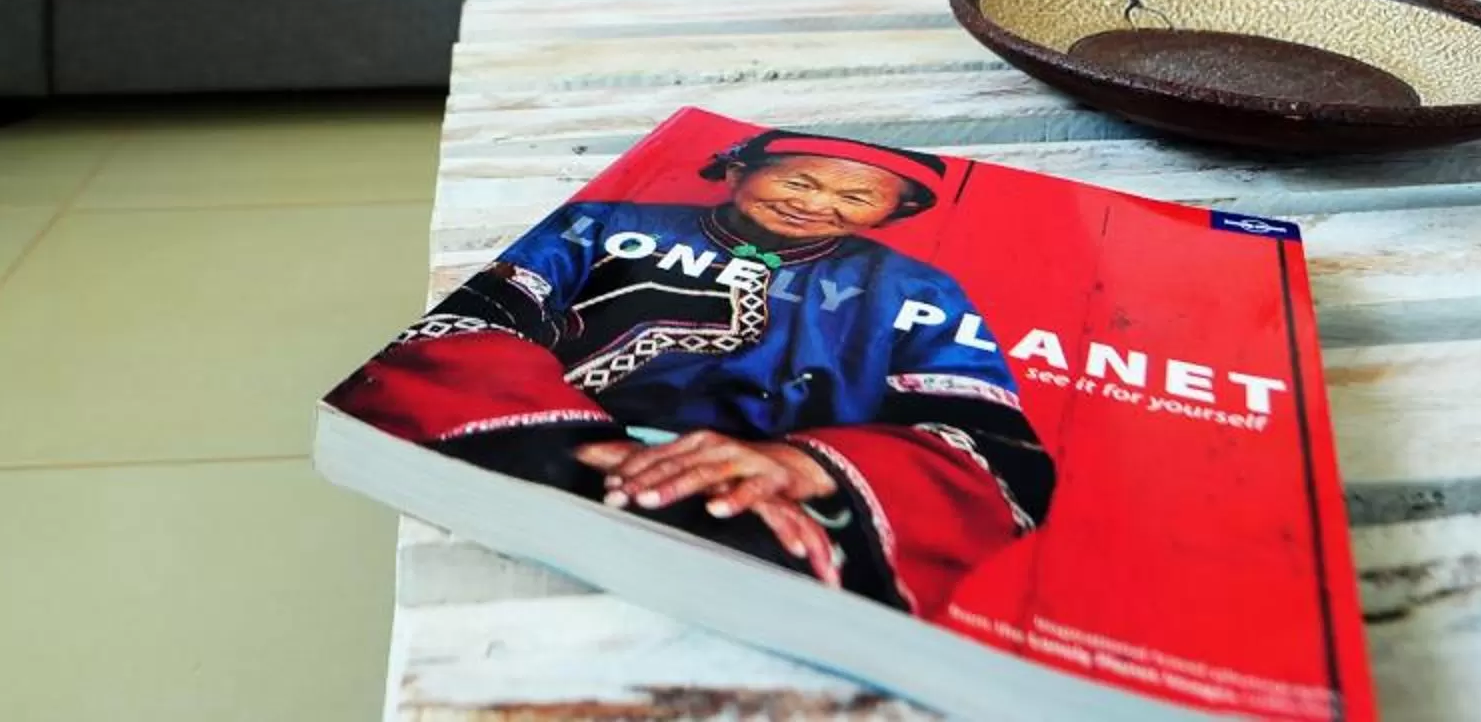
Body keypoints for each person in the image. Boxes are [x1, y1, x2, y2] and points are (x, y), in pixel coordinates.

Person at [328, 128, 1054, 615]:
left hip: (771, 493)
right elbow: (472, 324)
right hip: (540, 436)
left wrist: (799, 467)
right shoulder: (603, 222)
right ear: (738, 169)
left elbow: (991, 446)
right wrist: (580, 444)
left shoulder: (920, 294)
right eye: (799, 180)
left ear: (891, 214)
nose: (818, 203)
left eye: (855, 197)